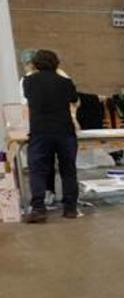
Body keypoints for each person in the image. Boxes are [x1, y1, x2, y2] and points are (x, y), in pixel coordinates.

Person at [22, 50, 80, 223]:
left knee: (38, 170)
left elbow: (27, 97)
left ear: (35, 63)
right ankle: (70, 209)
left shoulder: (29, 81)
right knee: (68, 170)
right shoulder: (65, 82)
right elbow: (74, 99)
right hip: (64, 131)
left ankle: (39, 209)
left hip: (40, 131)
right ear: (57, 63)